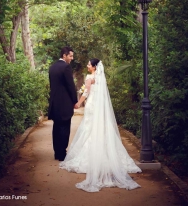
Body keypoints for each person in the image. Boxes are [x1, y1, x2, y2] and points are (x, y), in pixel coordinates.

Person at [59, 58, 142, 192]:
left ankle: (90, 156)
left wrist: (78, 103)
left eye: (88, 64)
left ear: (94, 67)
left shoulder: (89, 77)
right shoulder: (101, 78)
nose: (87, 65)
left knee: (89, 129)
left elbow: (86, 92)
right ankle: (107, 155)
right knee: (101, 129)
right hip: (100, 107)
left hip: (92, 106)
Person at [48, 46, 78, 161]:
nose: (72, 58)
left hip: (55, 103)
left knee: (56, 128)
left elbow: (53, 86)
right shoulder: (66, 67)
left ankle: (57, 153)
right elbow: (71, 86)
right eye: (70, 56)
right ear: (64, 55)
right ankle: (62, 154)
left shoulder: (52, 67)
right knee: (64, 128)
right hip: (64, 103)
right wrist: (74, 101)